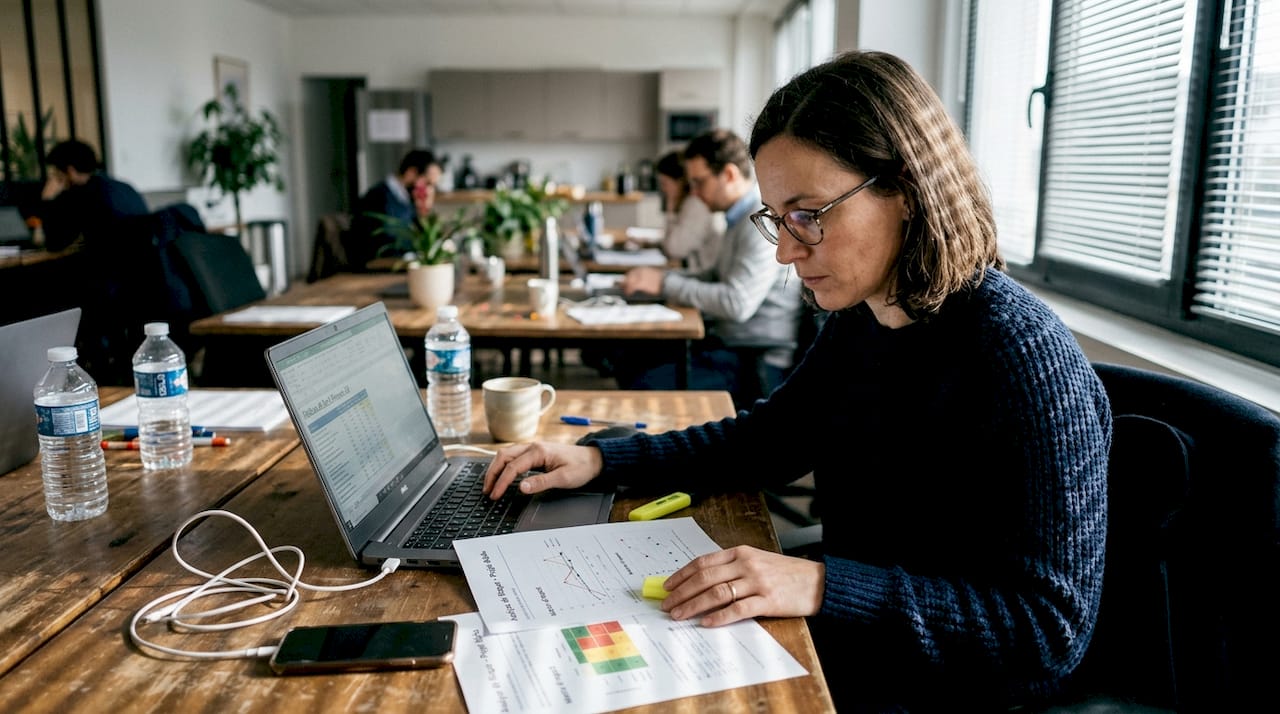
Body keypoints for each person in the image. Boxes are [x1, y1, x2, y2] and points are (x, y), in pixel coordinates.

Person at [484, 50, 1112, 712]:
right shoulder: (865, 317)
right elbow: (765, 441)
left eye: (809, 213)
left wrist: (817, 585)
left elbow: (1048, 632)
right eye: (776, 217)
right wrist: (599, 460)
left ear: (903, 189)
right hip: (866, 637)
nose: (785, 250)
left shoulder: (1020, 353)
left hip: (957, 686)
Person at [612, 129, 802, 405]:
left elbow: (737, 302)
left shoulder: (758, 223)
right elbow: (715, 276)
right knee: (631, 356)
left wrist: (665, 284)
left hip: (756, 360)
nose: (696, 194)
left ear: (729, 175)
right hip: (732, 345)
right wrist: (661, 278)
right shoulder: (737, 218)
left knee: (644, 383)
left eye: (699, 183)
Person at [35, 139, 149, 252]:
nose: (56, 180)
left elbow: (54, 244)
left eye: (57, 174)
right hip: (144, 265)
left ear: (70, 171)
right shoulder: (125, 187)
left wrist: (47, 199)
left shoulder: (82, 195)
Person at [349, 148, 442, 270]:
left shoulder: (406, 199)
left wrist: (423, 212)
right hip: (378, 269)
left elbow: (424, 242)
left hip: (399, 266)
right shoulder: (379, 197)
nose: (430, 191)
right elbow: (390, 243)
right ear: (411, 173)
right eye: (428, 183)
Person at [654, 149, 724, 271]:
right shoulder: (686, 204)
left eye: (665, 183)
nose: (663, 189)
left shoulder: (695, 205)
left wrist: (670, 208)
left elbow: (673, 249)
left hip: (701, 273)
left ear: (680, 182)